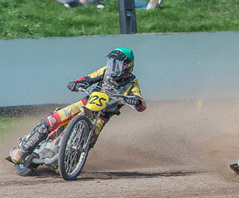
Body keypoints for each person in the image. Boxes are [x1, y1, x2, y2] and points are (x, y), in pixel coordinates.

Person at [8, 48, 147, 165]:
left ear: (127, 66)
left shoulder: (132, 84)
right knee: (52, 119)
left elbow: (141, 103)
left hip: (102, 116)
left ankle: (69, 162)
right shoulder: (105, 71)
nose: (113, 66)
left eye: (117, 64)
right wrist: (76, 83)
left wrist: (136, 102)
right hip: (85, 104)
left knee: (89, 142)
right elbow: (88, 79)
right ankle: (23, 150)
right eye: (112, 62)